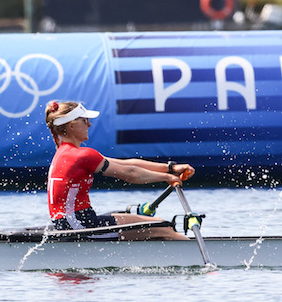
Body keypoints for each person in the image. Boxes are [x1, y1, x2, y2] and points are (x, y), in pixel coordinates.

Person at [44, 100, 195, 240]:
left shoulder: (66, 153)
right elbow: (130, 174)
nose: (89, 124)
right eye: (85, 120)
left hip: (71, 221)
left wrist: (170, 168)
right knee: (163, 227)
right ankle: (199, 259)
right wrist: (167, 178)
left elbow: (126, 164)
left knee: (145, 220)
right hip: (79, 225)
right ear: (71, 126)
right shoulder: (81, 155)